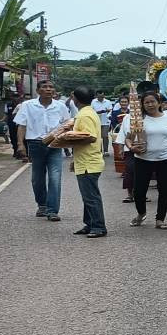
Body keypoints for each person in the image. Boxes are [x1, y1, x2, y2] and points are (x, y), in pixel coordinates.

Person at [123, 89, 167, 229]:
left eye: (152, 102)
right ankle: (141, 214)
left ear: (159, 103)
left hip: (166, 159)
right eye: (146, 102)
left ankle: (160, 219)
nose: (150, 105)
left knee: (164, 190)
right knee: (138, 191)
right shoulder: (139, 120)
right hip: (143, 159)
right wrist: (132, 148)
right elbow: (128, 139)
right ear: (142, 105)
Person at [54, 85, 108, 238]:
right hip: (86, 160)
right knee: (88, 196)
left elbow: (90, 137)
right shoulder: (88, 112)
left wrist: (68, 139)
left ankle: (98, 226)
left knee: (91, 196)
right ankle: (90, 223)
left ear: (74, 98)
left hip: (88, 162)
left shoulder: (84, 115)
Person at [13, 80, 69, 220]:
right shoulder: (28, 105)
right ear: (38, 91)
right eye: (44, 87)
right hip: (35, 144)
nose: (48, 89)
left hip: (55, 144)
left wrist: (65, 140)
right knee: (37, 178)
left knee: (55, 177)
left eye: (51, 87)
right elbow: (21, 125)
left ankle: (52, 211)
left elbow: (67, 124)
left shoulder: (60, 106)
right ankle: (42, 205)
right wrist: (20, 144)